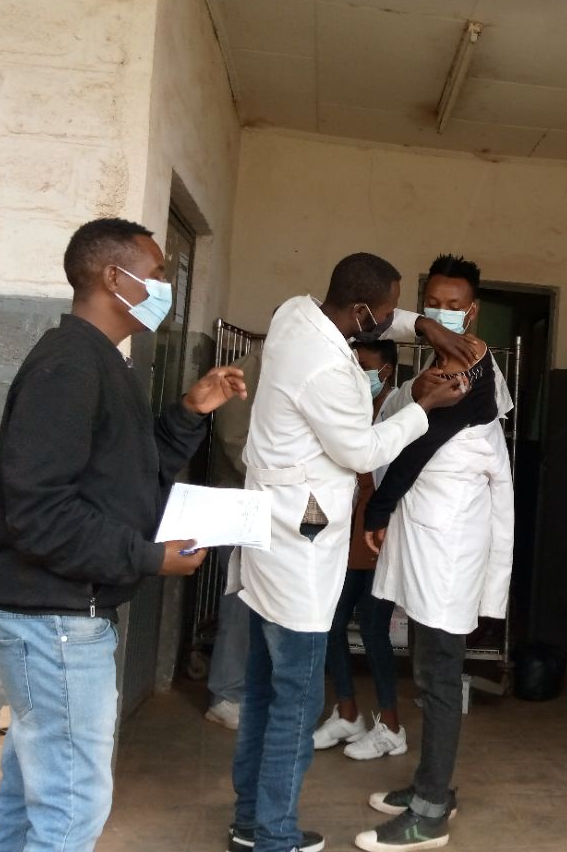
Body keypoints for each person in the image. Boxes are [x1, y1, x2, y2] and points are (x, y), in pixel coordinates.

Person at [0, 217, 247, 852]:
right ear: (113, 278)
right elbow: (37, 511)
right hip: (55, 620)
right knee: (71, 809)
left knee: (29, 793)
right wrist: (148, 557)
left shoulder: (103, 361)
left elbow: (125, 473)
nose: (165, 289)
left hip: (58, 615)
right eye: (156, 275)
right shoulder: (69, 365)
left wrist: (188, 412)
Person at [224, 252, 471, 852]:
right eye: (386, 311)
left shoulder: (294, 314)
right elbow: (361, 451)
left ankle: (250, 820)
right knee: (297, 698)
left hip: (268, 532)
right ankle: (275, 836)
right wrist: (423, 407)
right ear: (361, 312)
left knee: (263, 687)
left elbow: (382, 320)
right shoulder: (327, 370)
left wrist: (423, 326)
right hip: (299, 546)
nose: (390, 319)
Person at [356, 254, 515, 852]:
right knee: (425, 667)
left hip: (450, 547)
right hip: (428, 538)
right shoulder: (438, 361)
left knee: (440, 675)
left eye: (455, 305)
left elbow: (419, 450)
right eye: (434, 305)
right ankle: (431, 785)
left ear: (472, 311)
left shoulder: (473, 373)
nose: (444, 313)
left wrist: (377, 508)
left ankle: (429, 814)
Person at [313, 339, 405, 760]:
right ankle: (348, 712)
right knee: (331, 621)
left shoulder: (400, 409)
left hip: (381, 531)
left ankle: (392, 725)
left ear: (386, 371)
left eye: (364, 366)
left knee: (372, 626)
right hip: (350, 533)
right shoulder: (354, 408)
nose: (358, 374)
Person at [205, 348, 265, 731]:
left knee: (254, 601)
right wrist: (279, 478)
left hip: (260, 499)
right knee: (239, 602)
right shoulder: (253, 367)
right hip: (239, 499)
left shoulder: (284, 363)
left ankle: (241, 689)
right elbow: (232, 436)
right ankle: (225, 695)